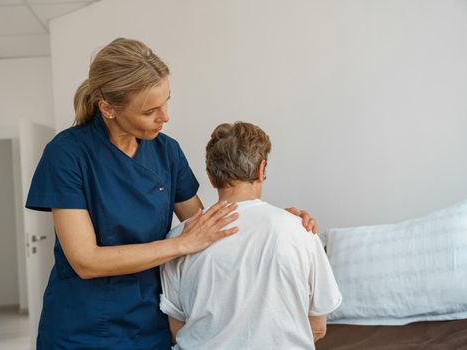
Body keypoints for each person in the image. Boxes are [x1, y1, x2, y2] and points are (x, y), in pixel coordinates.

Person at [25, 38, 318, 349]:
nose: (165, 117)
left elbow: (208, 227)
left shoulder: (167, 152)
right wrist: (181, 244)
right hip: (83, 329)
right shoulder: (67, 154)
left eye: (167, 102)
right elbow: (86, 260)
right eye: (150, 110)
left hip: (150, 322)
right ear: (108, 109)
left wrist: (273, 220)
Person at [159, 122, 342, 350]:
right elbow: (317, 327)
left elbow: (177, 331)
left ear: (211, 176)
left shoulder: (178, 239)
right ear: (261, 169)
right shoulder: (301, 230)